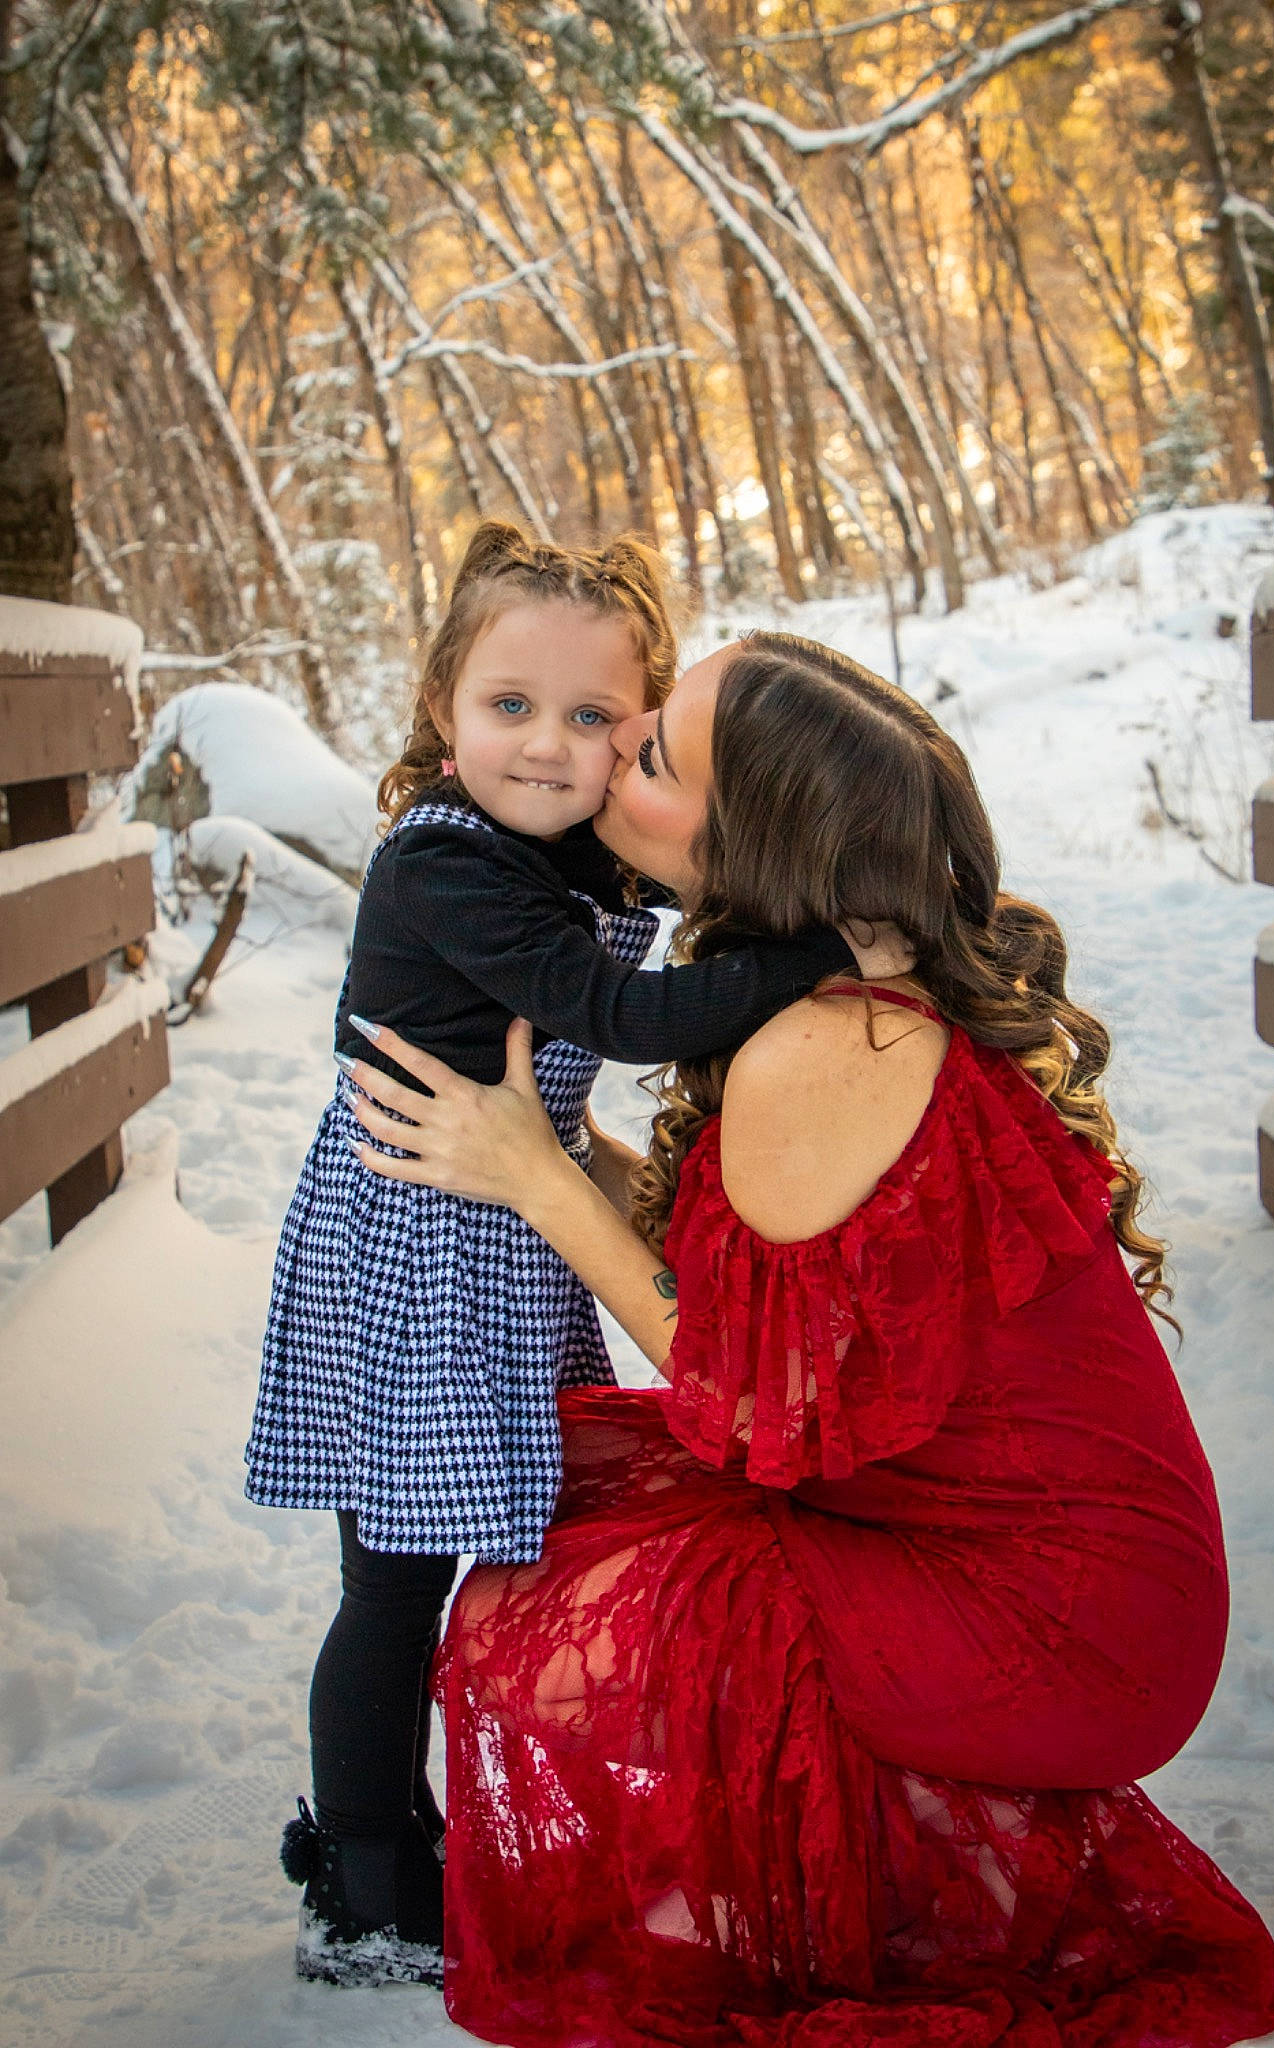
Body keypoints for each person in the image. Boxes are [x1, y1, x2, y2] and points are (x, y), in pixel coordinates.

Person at [344, 632, 1274, 2046]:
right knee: (573, 1492)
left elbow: (740, 1401)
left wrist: (535, 1181)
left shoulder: (831, 1045)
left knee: (550, 1606)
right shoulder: (842, 990)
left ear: (749, 844)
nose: (611, 745)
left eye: (654, 752)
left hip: (1058, 1623)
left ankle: (855, 1855)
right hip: (999, 1550)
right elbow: (782, 1307)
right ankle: (869, 1833)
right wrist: (568, 1143)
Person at [245, 539, 858, 1990]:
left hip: (495, 1232)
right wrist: (824, 952)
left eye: (593, 718)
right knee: (394, 1582)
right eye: (509, 705)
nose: (546, 746)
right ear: (442, 705)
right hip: (414, 1247)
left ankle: (412, 1829)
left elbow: (679, 898)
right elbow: (620, 1011)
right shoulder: (445, 863)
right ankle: (364, 1881)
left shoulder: (574, 847)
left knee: (462, 1555)